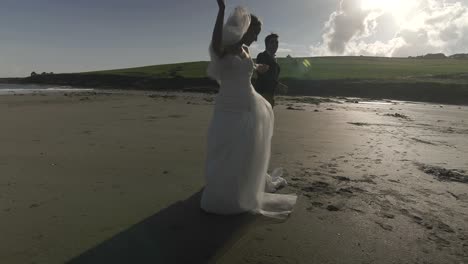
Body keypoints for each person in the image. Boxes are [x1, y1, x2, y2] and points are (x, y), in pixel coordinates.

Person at [201, 0, 296, 219]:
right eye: (255, 32)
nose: (255, 38)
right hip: (229, 106)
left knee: (248, 149)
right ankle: (224, 195)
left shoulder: (245, 50)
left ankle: (244, 187)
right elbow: (215, 46)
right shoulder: (225, 49)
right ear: (245, 28)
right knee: (225, 149)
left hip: (249, 104)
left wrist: (257, 67)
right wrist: (221, 10)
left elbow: (245, 69)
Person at [254, 33, 288, 107]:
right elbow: (263, 75)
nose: (275, 44)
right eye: (272, 42)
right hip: (261, 94)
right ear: (267, 44)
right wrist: (277, 85)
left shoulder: (275, 61)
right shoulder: (262, 56)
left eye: (276, 42)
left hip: (270, 95)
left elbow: (273, 77)